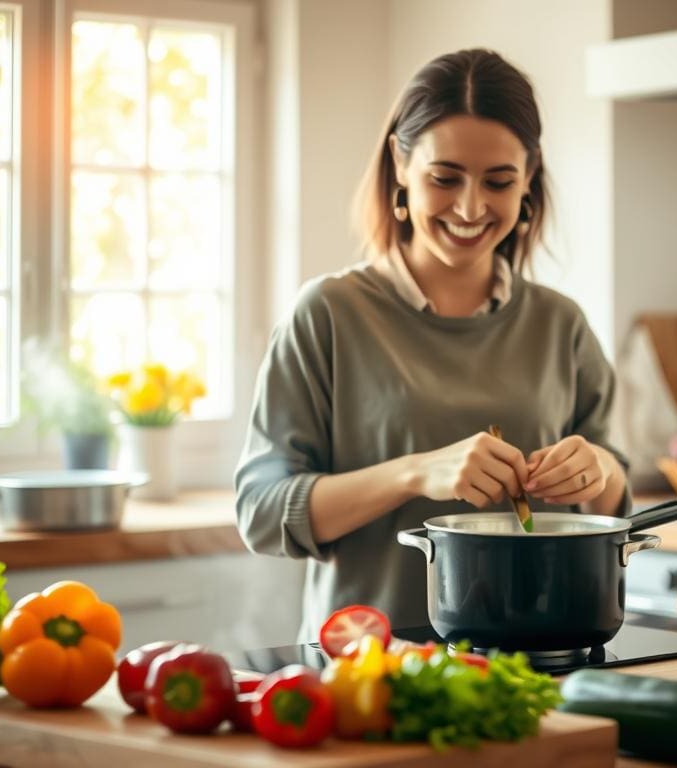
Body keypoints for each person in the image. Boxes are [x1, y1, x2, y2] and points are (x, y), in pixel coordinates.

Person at [235, 48, 630, 644]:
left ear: (529, 177)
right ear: (399, 163)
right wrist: (416, 473)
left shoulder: (561, 323)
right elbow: (262, 514)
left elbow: (616, 495)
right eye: (444, 178)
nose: (471, 208)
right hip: (369, 673)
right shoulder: (328, 315)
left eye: (498, 181)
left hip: (546, 660)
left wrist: (599, 470)